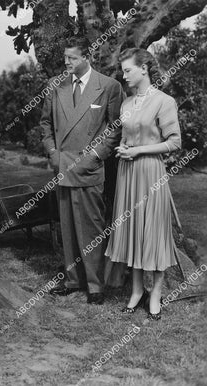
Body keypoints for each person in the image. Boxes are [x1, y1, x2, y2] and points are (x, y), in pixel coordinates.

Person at [41, 36, 124, 304]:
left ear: (87, 56)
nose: (66, 62)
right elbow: (45, 124)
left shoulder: (109, 86)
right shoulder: (55, 86)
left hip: (89, 168)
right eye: (65, 57)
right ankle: (73, 280)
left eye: (72, 58)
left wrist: (97, 155)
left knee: (91, 227)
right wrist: (53, 154)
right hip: (63, 165)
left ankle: (95, 285)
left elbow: (115, 127)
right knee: (67, 227)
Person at [105, 48, 181, 320]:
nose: (123, 76)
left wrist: (138, 151)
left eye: (127, 70)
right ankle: (136, 291)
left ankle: (156, 295)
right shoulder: (126, 104)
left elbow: (174, 142)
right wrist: (125, 147)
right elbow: (127, 136)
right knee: (133, 232)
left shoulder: (164, 101)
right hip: (128, 174)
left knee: (154, 233)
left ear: (144, 69)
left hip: (150, 172)